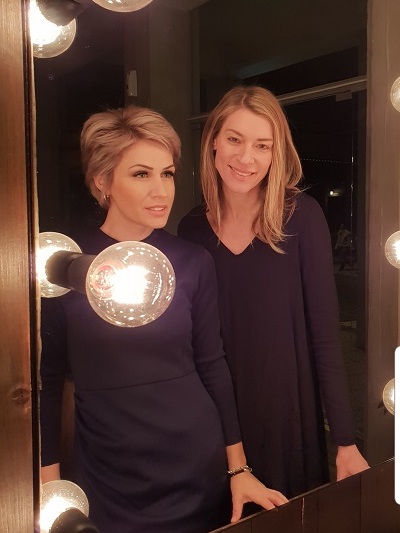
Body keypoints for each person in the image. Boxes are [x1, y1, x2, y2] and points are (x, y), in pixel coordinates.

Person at [39, 104, 288, 533]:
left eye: (167, 173)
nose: (161, 190)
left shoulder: (192, 261)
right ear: (102, 181)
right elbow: (45, 380)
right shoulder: (63, 266)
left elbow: (212, 365)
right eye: (141, 174)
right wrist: (48, 486)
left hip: (195, 462)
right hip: (110, 470)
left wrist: (238, 468)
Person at [178, 85, 369, 500]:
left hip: (287, 418)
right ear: (213, 142)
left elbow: (325, 339)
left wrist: (345, 440)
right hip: (213, 418)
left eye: (262, 145)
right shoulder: (191, 229)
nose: (246, 158)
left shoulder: (301, 217)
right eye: (235, 139)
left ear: (275, 152)